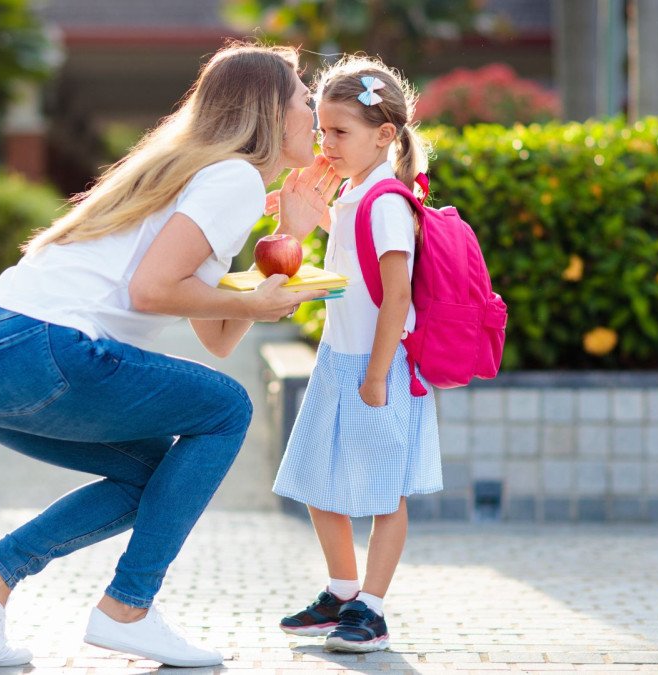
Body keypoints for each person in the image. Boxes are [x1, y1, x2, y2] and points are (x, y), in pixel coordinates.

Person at [0, 42, 341, 668]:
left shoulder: (200, 172)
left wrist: (289, 236)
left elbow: (217, 335)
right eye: (303, 100)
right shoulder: (230, 177)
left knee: (148, 474)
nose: (313, 113)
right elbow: (155, 291)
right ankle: (129, 609)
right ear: (267, 112)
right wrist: (259, 305)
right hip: (39, 347)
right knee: (228, 407)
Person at [272, 55, 442, 653]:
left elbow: (396, 295)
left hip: (378, 366)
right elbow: (349, 266)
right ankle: (342, 592)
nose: (327, 142)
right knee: (320, 482)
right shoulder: (352, 194)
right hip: (337, 361)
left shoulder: (388, 201)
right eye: (321, 129)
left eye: (340, 131)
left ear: (385, 134)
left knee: (383, 493)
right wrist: (306, 215)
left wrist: (375, 375)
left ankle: (372, 607)